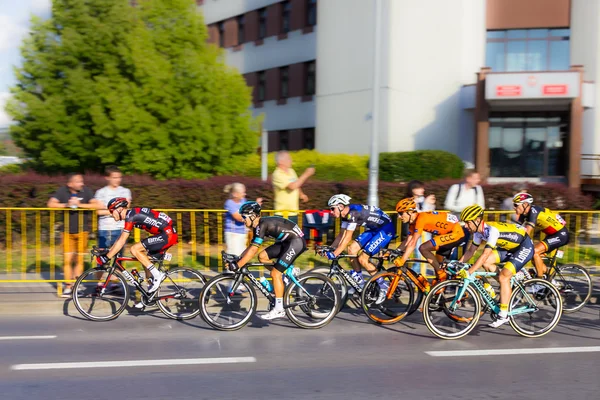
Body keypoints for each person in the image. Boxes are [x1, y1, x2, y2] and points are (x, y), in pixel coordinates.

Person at [226, 201, 306, 320]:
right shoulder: (257, 226)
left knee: (275, 273)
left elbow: (253, 250)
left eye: (244, 217)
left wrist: (237, 265)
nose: (243, 220)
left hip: (296, 242)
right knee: (262, 256)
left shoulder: (261, 225)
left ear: (253, 216)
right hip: (286, 242)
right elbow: (251, 247)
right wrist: (239, 258)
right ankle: (288, 271)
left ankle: (279, 309)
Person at [457, 205, 534, 328]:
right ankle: (508, 283)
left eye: (467, 222)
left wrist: (470, 271)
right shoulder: (478, 232)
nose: (465, 226)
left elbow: (485, 253)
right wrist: (458, 264)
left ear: (477, 220)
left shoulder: (492, 231)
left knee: (503, 276)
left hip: (524, 246)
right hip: (511, 248)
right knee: (487, 263)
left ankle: (504, 314)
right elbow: (471, 251)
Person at [94, 198, 178, 299]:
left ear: (120, 209)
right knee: (146, 262)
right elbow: (120, 239)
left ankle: (157, 275)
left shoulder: (131, 217)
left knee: (134, 249)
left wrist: (106, 258)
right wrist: (109, 251)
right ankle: (149, 297)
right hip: (166, 234)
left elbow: (121, 242)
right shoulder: (131, 215)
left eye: (112, 211)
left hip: (167, 235)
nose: (111, 214)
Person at [321, 194, 395, 304]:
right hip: (373, 229)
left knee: (362, 259)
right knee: (351, 250)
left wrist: (335, 254)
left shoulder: (353, 213)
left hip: (385, 229)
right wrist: (331, 248)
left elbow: (347, 238)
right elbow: (341, 235)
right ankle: (359, 283)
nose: (331, 212)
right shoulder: (345, 215)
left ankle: (384, 286)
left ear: (341, 206)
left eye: (332, 208)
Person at [392, 198, 468, 292]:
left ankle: (442, 275)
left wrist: (403, 260)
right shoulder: (413, 222)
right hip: (446, 234)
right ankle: (440, 295)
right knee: (438, 266)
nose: (399, 217)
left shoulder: (421, 219)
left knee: (423, 248)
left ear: (409, 212)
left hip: (456, 233)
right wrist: (396, 251)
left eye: (400, 213)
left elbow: (413, 242)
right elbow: (408, 240)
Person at [47, 173, 99, 298]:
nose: (81, 183)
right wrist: (66, 205)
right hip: (66, 231)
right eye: (78, 181)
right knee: (67, 260)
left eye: (82, 181)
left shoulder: (86, 191)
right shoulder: (62, 191)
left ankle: (76, 285)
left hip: (82, 231)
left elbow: (97, 205)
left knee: (79, 259)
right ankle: (68, 286)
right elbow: (50, 204)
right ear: (70, 184)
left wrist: (80, 205)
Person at [512, 192, 568, 279]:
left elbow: (526, 232)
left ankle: (540, 280)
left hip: (561, 234)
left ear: (525, 204)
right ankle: (549, 279)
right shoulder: (524, 213)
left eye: (516, 205)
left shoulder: (534, 212)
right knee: (533, 257)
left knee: (535, 252)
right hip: (551, 235)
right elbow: (515, 228)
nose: (514, 207)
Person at [94, 166, 132, 264]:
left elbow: (125, 210)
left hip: (120, 228)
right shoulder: (101, 192)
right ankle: (99, 279)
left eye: (119, 177)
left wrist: (108, 210)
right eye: (114, 177)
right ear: (108, 178)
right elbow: (99, 211)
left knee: (118, 259)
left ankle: (117, 279)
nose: (117, 180)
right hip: (104, 229)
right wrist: (116, 211)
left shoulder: (125, 191)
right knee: (102, 259)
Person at [271, 151, 315, 224]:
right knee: (284, 235)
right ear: (281, 161)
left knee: (294, 235)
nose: (291, 160)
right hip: (282, 214)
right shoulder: (277, 174)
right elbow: (292, 186)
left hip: (293, 213)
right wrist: (306, 174)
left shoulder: (291, 171)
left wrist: (301, 194)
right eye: (289, 159)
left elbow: (296, 184)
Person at [223, 183, 263, 256]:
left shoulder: (243, 201)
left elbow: (249, 210)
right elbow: (238, 217)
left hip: (242, 232)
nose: (245, 194)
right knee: (233, 255)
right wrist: (250, 217)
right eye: (242, 193)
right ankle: (230, 267)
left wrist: (257, 205)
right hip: (233, 233)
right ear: (235, 194)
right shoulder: (229, 203)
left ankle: (238, 267)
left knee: (242, 255)